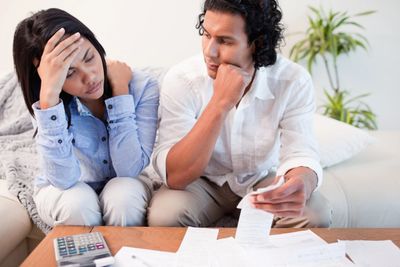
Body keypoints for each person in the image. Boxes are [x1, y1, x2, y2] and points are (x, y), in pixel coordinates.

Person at [148, 0, 331, 228]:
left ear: (257, 43)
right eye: (206, 35)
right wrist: (220, 103)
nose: (209, 51)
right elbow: (175, 176)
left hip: (260, 179)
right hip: (201, 182)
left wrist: (301, 182)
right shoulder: (183, 79)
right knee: (165, 216)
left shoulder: (293, 80)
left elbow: (300, 151)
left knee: (315, 215)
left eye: (224, 41)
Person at [13, 8, 159, 227]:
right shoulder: (46, 100)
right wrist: (50, 99)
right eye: (69, 73)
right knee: (77, 204)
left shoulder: (141, 86)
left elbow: (129, 169)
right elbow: (64, 179)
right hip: (64, 190)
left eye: (89, 57)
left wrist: (120, 91)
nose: (89, 77)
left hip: (126, 182)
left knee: (123, 197)